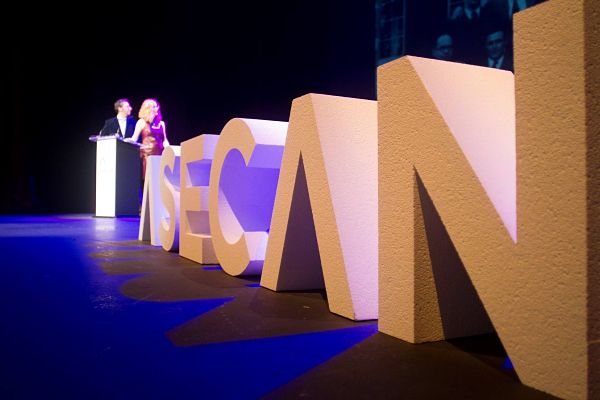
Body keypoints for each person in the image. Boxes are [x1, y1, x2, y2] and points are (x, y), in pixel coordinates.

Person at [126, 98, 170, 177]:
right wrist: (125, 141)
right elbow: (134, 139)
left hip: (160, 154)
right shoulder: (141, 122)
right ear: (148, 109)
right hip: (147, 155)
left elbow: (165, 140)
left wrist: (169, 149)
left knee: (159, 178)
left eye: (157, 106)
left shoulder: (161, 124)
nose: (157, 108)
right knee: (149, 178)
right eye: (154, 106)